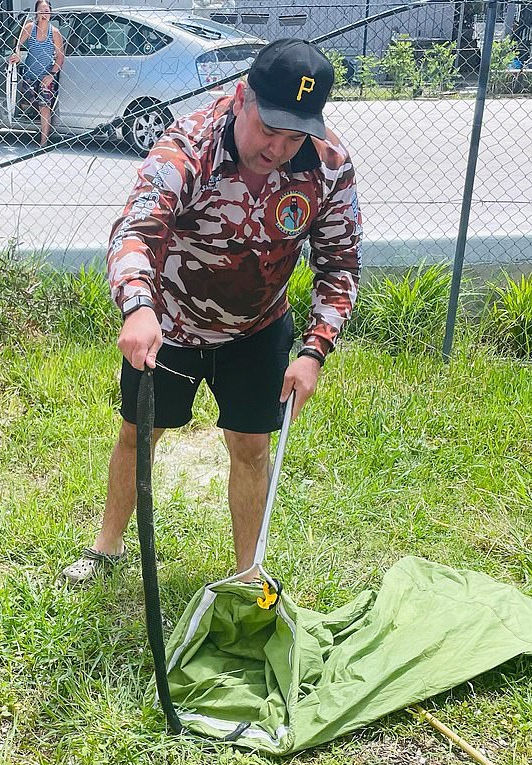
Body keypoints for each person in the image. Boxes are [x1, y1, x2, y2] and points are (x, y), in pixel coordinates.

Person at [60, 39, 362, 586]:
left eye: (294, 135)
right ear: (243, 96)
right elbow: (136, 231)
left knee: (251, 447)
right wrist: (136, 307)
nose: (277, 148)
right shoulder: (188, 145)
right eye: (269, 130)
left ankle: (249, 575)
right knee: (138, 434)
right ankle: (106, 549)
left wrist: (315, 350)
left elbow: (340, 265)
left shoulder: (329, 166)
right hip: (167, 325)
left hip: (258, 328)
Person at [9, 0, 64, 147]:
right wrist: (17, 54)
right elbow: (17, 44)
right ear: (36, 12)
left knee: (44, 107)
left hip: (46, 76)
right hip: (30, 75)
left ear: (50, 13)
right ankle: (36, 129)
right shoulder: (30, 28)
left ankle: (43, 142)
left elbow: (60, 57)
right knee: (27, 105)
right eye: (41, 10)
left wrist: (51, 74)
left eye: (47, 10)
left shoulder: (55, 33)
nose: (44, 13)